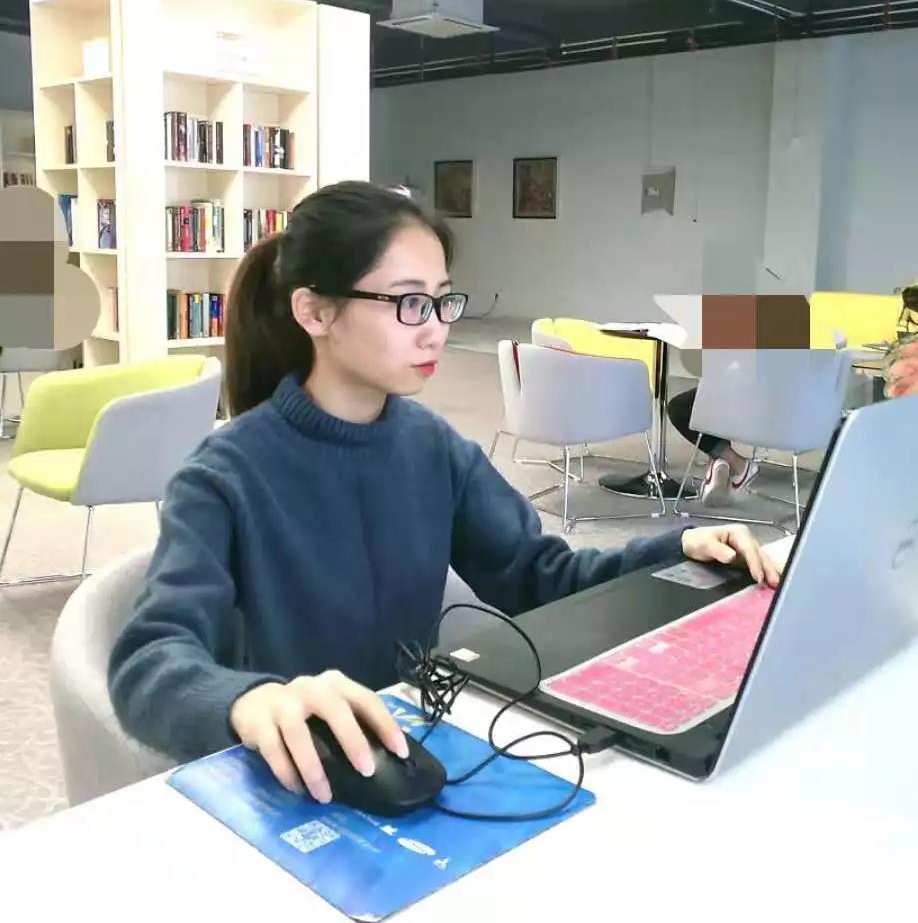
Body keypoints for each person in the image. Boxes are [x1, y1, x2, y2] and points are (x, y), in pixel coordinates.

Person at [108, 182, 778, 804]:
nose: (435, 328)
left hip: (413, 741)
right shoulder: (224, 474)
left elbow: (539, 576)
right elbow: (150, 658)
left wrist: (676, 549)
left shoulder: (433, 448)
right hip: (294, 774)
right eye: (408, 303)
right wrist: (250, 701)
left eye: (442, 301)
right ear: (315, 311)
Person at [666, 390, 759, 504]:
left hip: (748, 399)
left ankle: (735, 464)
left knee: (679, 408)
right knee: (712, 395)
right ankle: (718, 463)